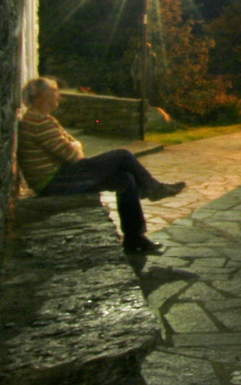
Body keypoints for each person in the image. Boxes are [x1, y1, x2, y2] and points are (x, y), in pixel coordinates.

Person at [17, 77, 184, 255]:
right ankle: (153, 189)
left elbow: (73, 145)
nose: (59, 96)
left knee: (125, 179)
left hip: (58, 177)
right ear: (41, 96)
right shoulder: (39, 122)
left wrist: (75, 145)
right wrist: (76, 146)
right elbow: (73, 155)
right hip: (53, 182)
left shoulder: (42, 119)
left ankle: (135, 238)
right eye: (54, 92)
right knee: (123, 155)